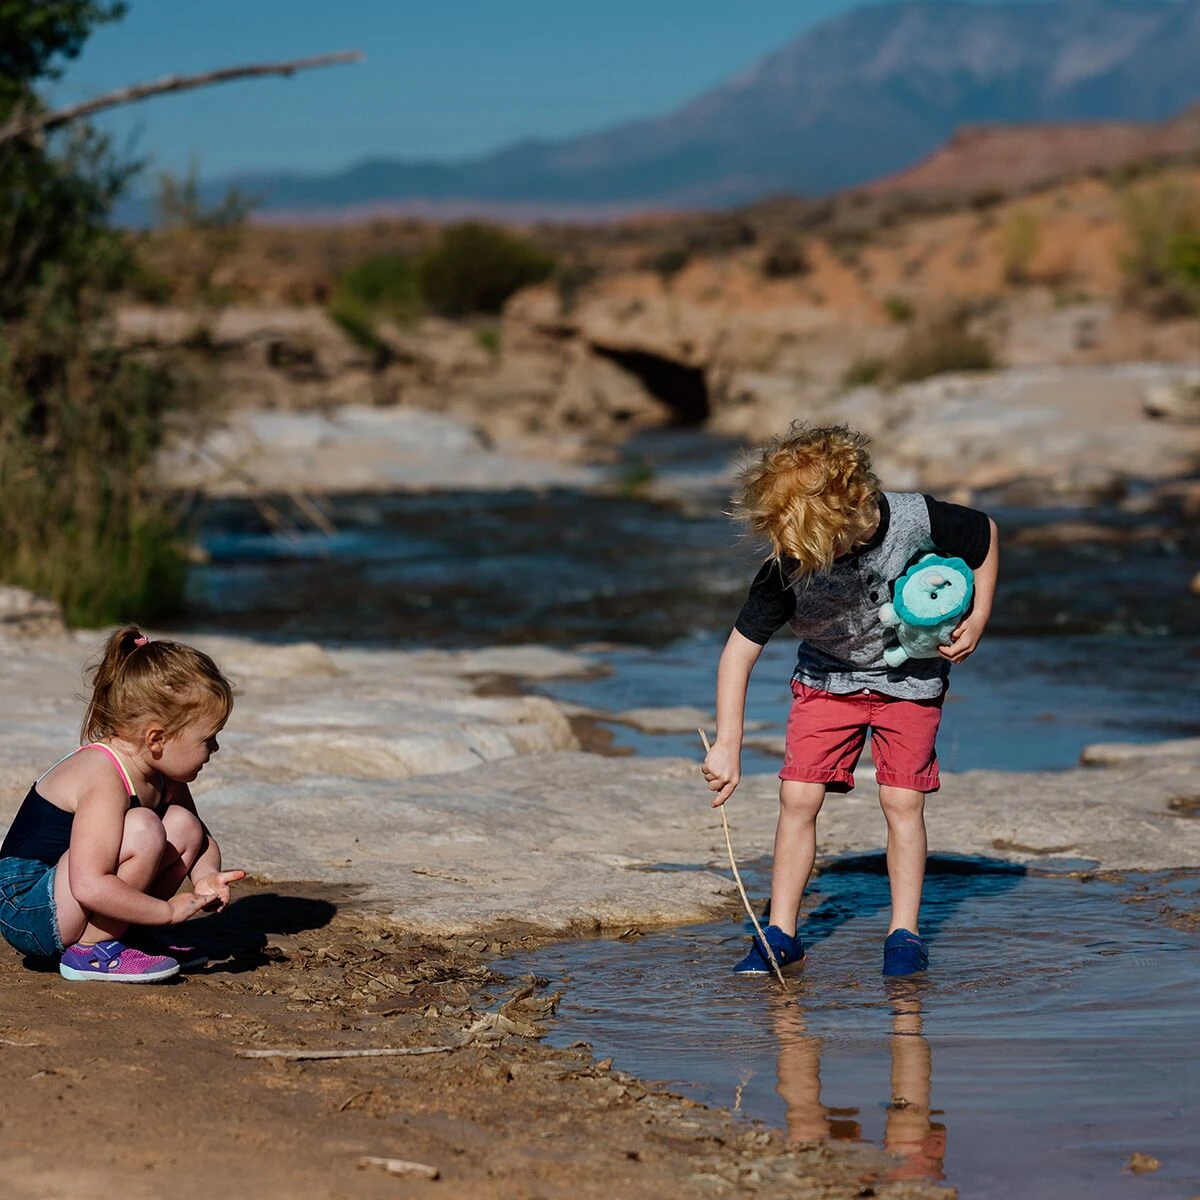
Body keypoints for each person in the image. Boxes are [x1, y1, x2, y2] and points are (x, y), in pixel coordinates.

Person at [702, 423, 998, 976]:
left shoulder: (915, 518)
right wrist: (727, 744)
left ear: (857, 503)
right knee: (797, 798)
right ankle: (781, 932)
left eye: (821, 545)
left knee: (902, 803)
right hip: (826, 684)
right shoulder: (790, 561)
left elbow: (984, 535)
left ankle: (904, 934)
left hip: (911, 685)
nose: (808, 557)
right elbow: (737, 654)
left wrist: (978, 615)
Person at [0, 627, 244, 982]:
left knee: (184, 826)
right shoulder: (105, 776)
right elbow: (88, 885)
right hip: (26, 904)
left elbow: (200, 840)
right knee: (143, 827)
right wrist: (166, 912)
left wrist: (205, 878)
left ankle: (127, 934)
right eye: (209, 739)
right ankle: (93, 950)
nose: (215, 749)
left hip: (68, 891)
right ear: (157, 738)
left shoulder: (163, 774)